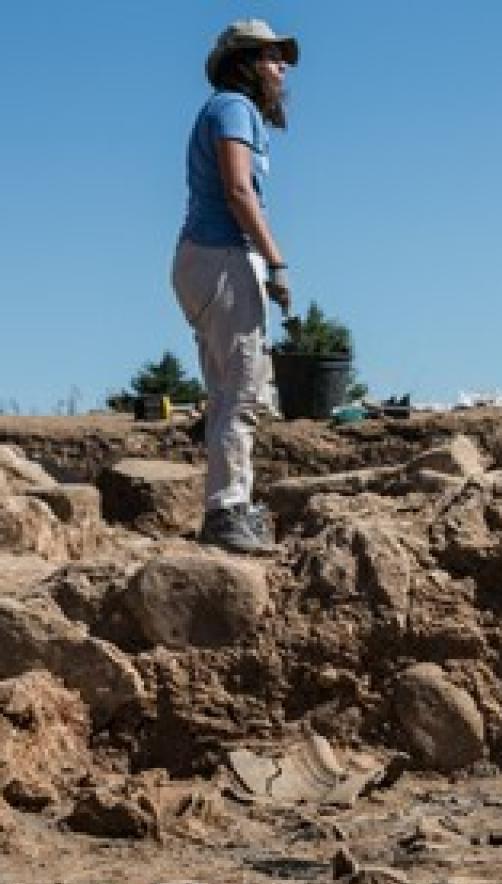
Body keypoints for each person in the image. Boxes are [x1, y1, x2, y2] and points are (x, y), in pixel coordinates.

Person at [171, 19, 298, 555]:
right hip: (221, 255)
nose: (282, 68)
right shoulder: (233, 108)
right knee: (242, 391)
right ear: (245, 64)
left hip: (204, 258)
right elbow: (239, 191)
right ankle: (227, 512)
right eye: (271, 58)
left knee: (229, 390)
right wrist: (277, 262)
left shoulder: (230, 111)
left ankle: (230, 506)